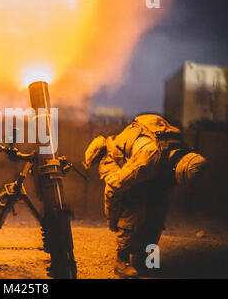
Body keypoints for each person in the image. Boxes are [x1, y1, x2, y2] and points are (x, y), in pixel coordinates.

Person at [84, 114, 208, 278]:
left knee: (157, 215)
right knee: (134, 208)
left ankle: (144, 259)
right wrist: (112, 218)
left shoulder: (182, 150)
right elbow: (114, 189)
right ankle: (121, 261)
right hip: (136, 171)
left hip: (151, 172)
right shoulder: (147, 159)